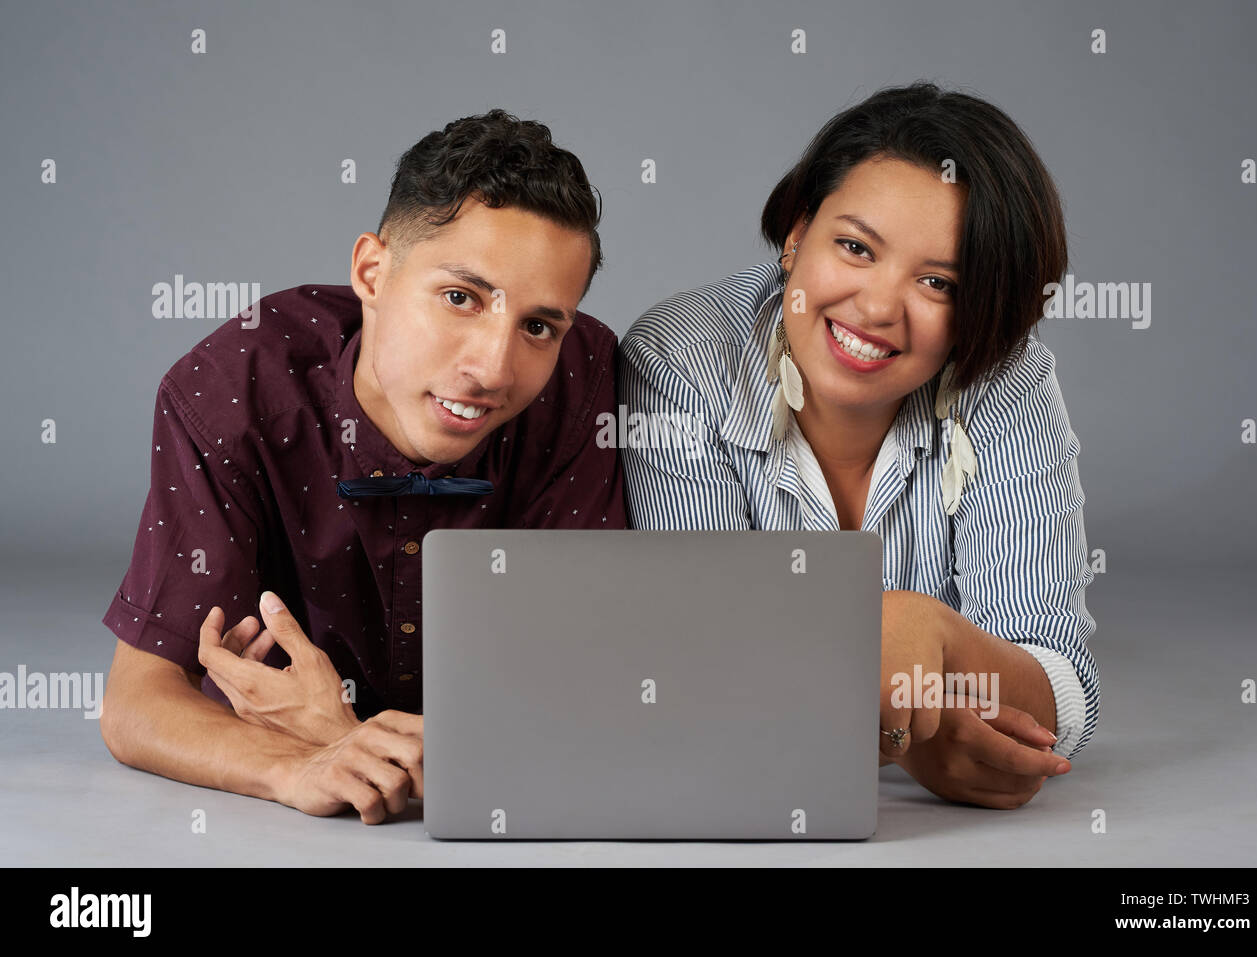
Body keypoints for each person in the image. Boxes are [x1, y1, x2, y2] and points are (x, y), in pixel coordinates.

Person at [100, 109, 627, 824]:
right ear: (372, 272)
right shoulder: (231, 390)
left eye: (538, 325)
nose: (493, 369)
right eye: (460, 298)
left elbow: (587, 688)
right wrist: (299, 765)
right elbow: (137, 702)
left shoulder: (584, 381)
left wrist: (344, 735)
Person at [619, 81, 1098, 810]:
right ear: (795, 235)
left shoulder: (1008, 378)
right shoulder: (682, 357)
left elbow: (1061, 689)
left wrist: (923, 625)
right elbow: (703, 647)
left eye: (937, 282)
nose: (876, 308)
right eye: (854, 247)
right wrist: (918, 729)